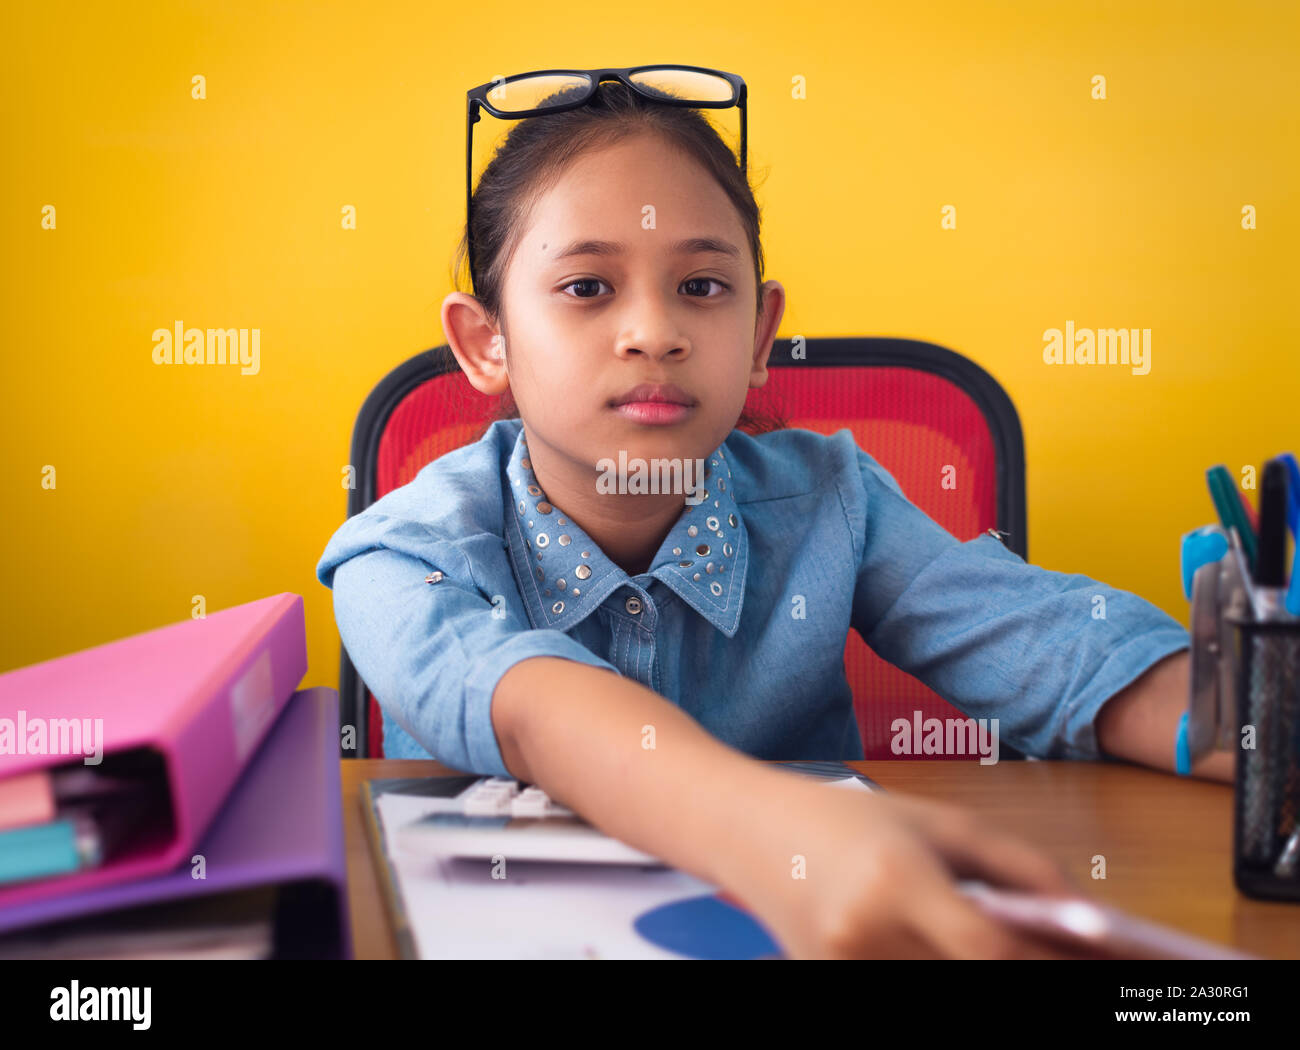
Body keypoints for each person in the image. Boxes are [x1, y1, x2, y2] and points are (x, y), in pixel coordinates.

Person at [316, 79, 1231, 958]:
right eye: (588, 287)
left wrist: (1245, 720)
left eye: (703, 287)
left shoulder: (835, 498)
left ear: (759, 339)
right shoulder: (400, 553)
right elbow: (529, 713)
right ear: (487, 342)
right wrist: (769, 829)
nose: (655, 331)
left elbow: (1049, 643)